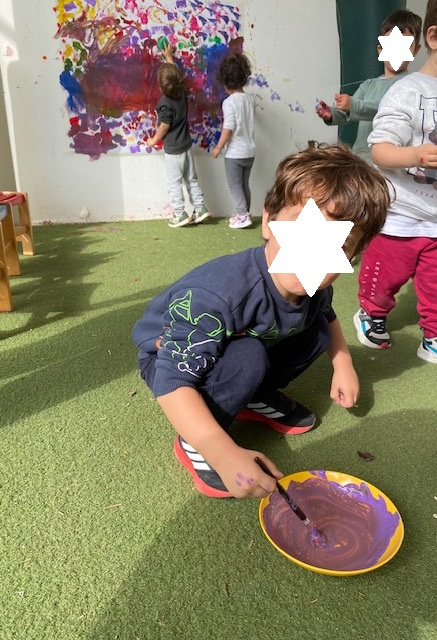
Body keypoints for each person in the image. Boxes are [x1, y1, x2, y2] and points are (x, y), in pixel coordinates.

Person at [132, 143, 391, 499]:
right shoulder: (219, 295)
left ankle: (254, 396)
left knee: (315, 330)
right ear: (269, 221)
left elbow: (326, 315)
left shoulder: (315, 286)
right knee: (247, 357)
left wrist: (343, 363)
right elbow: (172, 380)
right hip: (169, 356)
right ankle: (195, 442)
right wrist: (220, 451)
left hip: (234, 341)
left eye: (338, 245)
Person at [354, 0, 437, 374]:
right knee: (385, 278)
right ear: (434, 37)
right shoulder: (407, 90)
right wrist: (416, 155)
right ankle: (371, 312)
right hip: (400, 213)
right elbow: (380, 150)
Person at [317, 9, 422, 164]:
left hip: (388, 164)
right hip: (360, 159)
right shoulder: (368, 85)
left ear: (415, 50)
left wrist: (353, 105)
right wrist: (331, 114)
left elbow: (382, 107)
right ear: (381, 49)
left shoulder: (410, 85)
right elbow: (351, 112)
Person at [147, 43, 211, 228]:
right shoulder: (181, 92)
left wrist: (154, 140)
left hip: (174, 151)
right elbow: (175, 76)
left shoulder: (164, 103)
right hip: (186, 146)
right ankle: (200, 208)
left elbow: (164, 125)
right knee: (191, 179)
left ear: (161, 87)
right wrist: (169, 58)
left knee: (174, 183)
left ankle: (180, 213)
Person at [211, 52, 255, 229]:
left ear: (225, 82)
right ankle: (244, 213)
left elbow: (228, 127)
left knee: (235, 185)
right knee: (244, 184)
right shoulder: (249, 100)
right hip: (250, 152)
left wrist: (218, 147)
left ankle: (243, 215)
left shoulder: (229, 102)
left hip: (235, 153)